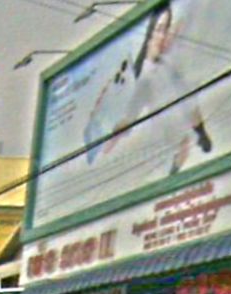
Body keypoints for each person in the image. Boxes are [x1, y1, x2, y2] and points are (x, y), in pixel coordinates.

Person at [84, 1, 212, 175]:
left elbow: (189, 102)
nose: (163, 37)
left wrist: (201, 132)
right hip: (166, 135)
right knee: (180, 146)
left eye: (166, 30)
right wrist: (111, 141)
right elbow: (131, 115)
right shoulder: (145, 78)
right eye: (159, 30)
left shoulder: (170, 64)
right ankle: (174, 170)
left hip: (179, 129)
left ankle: (190, 147)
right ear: (150, 35)